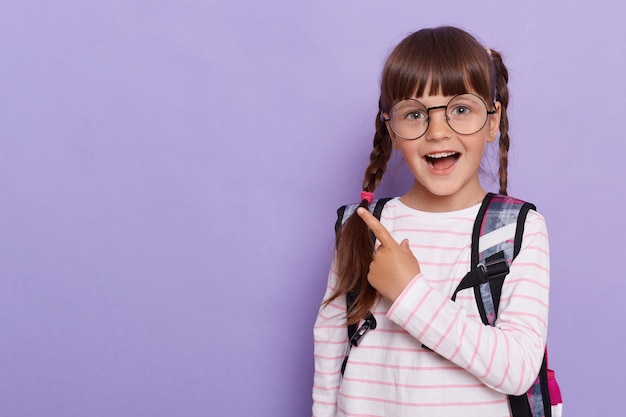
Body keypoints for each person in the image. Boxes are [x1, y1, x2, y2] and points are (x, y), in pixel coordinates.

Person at [312, 26, 550, 416]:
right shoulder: (362, 225)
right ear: (391, 129)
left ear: (492, 121)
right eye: (415, 114)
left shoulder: (518, 228)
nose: (437, 132)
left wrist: (409, 292)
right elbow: (329, 349)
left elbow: (519, 370)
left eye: (460, 109)